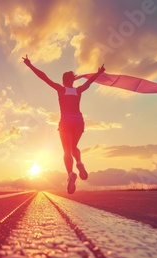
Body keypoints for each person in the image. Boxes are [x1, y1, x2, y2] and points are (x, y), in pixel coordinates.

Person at [22, 55, 105, 194]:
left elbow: (44, 77)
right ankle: (79, 163)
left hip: (66, 122)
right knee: (74, 148)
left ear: (63, 81)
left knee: (67, 151)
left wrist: (30, 65)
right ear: (72, 80)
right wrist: (99, 72)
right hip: (78, 121)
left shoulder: (60, 90)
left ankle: (71, 174)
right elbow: (89, 82)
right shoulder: (78, 90)